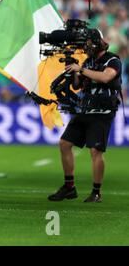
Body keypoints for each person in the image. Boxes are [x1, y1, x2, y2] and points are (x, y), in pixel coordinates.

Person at [48, 30, 122, 203]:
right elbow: (77, 85)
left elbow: (105, 77)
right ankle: (69, 187)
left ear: (97, 43)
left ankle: (96, 192)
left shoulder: (113, 60)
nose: (86, 48)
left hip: (102, 112)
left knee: (95, 151)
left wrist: (81, 68)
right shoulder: (88, 61)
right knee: (65, 144)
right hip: (85, 109)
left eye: (89, 44)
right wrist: (73, 70)